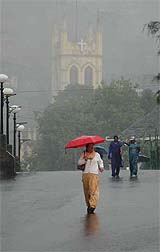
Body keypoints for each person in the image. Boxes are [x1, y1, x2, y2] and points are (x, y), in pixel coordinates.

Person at [78, 143, 104, 214]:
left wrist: (101, 167)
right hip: (85, 174)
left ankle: (92, 206)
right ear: (87, 148)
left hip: (94, 174)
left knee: (94, 191)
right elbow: (79, 163)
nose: (92, 148)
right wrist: (85, 160)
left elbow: (100, 161)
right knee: (87, 191)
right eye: (90, 147)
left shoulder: (97, 155)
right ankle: (88, 204)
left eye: (92, 147)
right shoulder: (84, 154)